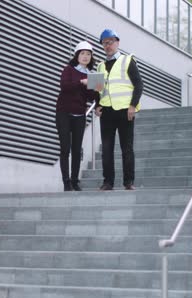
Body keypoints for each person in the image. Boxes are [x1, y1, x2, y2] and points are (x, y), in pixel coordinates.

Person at [95, 29, 144, 191]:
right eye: (105, 43)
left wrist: (132, 106)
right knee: (107, 149)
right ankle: (108, 182)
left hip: (125, 111)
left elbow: (139, 84)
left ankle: (128, 182)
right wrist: (97, 105)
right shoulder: (99, 66)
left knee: (127, 148)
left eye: (110, 42)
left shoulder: (128, 60)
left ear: (117, 42)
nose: (108, 45)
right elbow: (96, 89)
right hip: (107, 112)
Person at [55, 41, 101, 191]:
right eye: (82, 53)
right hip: (64, 113)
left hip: (80, 114)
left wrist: (98, 100)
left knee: (76, 149)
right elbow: (65, 86)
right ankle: (66, 182)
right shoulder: (68, 70)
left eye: (88, 54)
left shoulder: (91, 76)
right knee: (65, 148)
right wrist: (82, 82)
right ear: (77, 55)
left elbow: (93, 96)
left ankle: (75, 181)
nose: (85, 57)